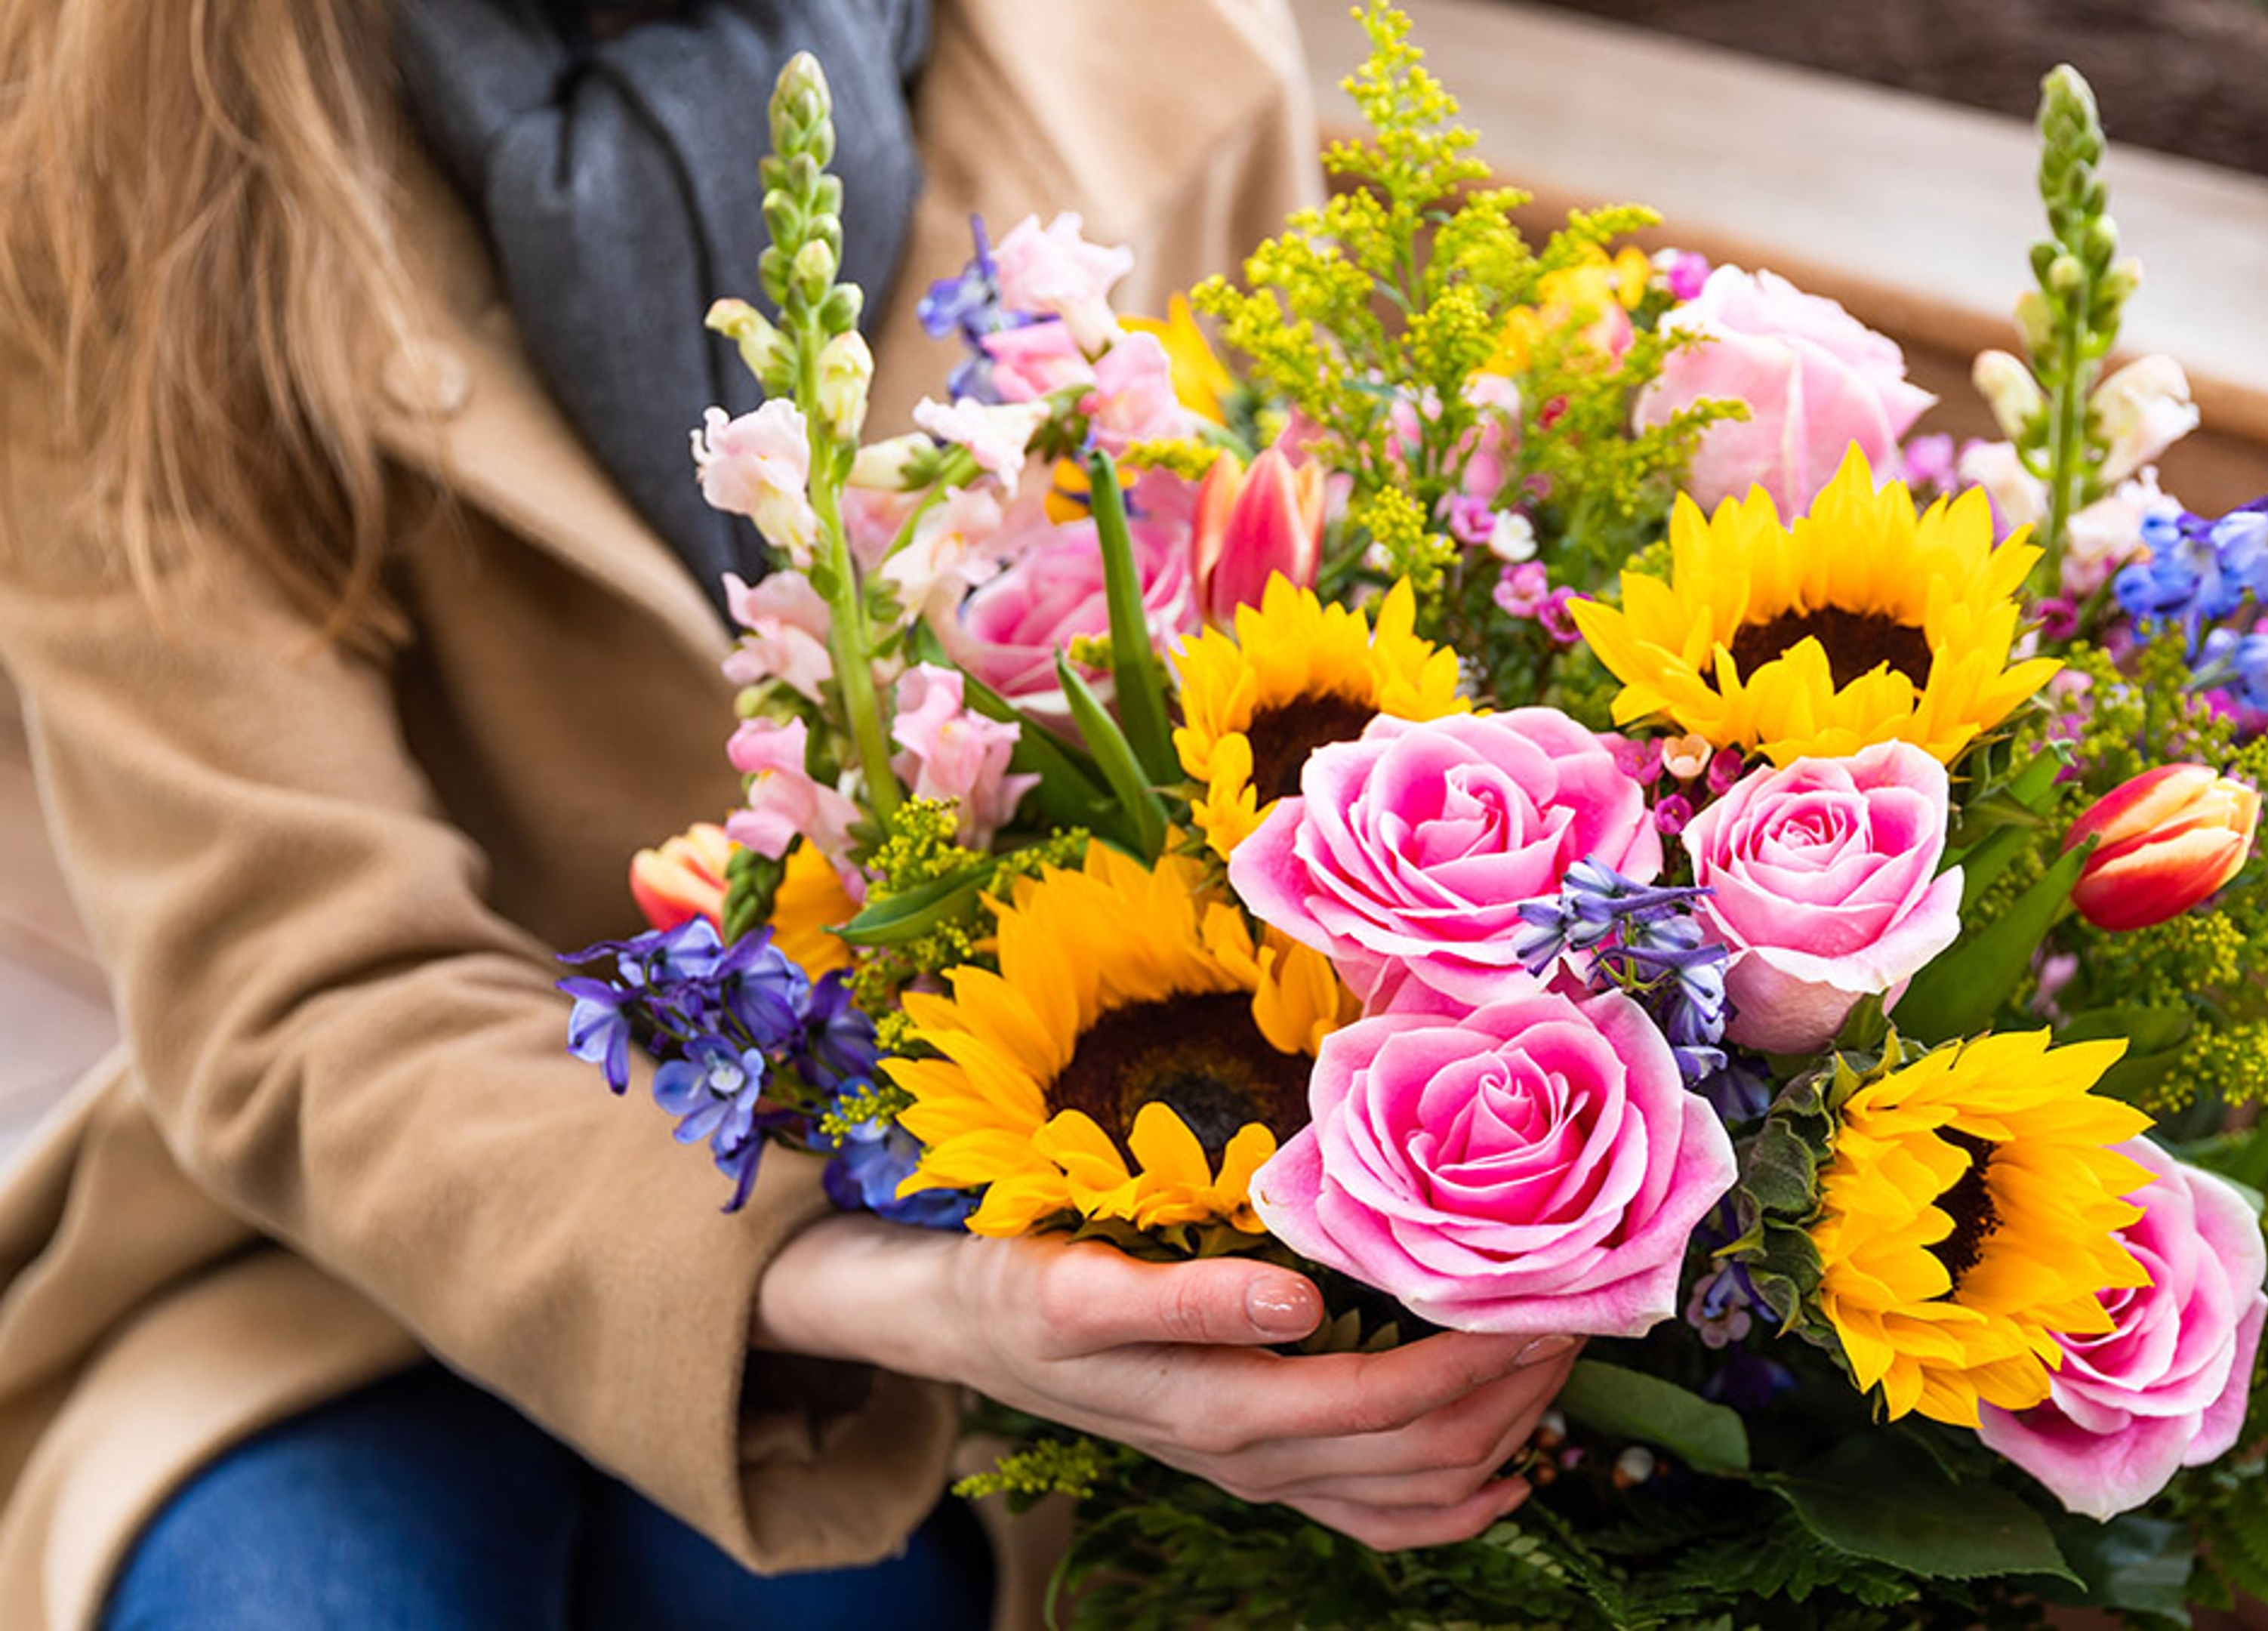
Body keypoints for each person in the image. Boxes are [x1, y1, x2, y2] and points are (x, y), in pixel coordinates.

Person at [0, 3, 1582, 1627]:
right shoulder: (120, 142)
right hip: (365, 1235)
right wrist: (864, 1284)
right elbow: (300, 983)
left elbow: (1278, 694)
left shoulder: (1164, 51)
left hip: (998, 1256)